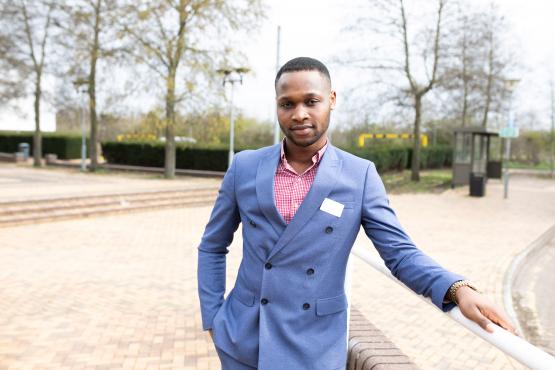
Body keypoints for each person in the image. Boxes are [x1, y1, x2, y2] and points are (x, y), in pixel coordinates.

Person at [197, 57, 515, 370]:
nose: (299, 114)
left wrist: (457, 290)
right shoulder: (245, 166)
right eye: (287, 104)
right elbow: (212, 245)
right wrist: (214, 317)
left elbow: (400, 254)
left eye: (311, 101)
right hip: (246, 338)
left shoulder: (358, 175)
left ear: (332, 100)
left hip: (314, 346)